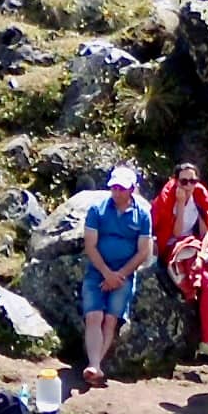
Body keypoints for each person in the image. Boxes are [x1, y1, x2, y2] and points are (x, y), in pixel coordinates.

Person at [77, 165, 154, 390]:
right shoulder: (97, 209)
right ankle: (94, 366)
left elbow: (143, 251)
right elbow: (90, 244)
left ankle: (95, 365)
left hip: (124, 276)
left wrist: (119, 275)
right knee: (93, 316)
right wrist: (106, 273)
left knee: (110, 320)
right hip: (98, 272)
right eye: (114, 187)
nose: (117, 192)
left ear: (131, 189)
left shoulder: (143, 214)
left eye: (121, 188)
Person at [152, 162, 208, 360]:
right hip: (175, 249)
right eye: (184, 181)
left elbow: (207, 232)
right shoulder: (169, 197)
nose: (189, 185)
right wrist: (180, 204)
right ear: (176, 180)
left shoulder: (200, 195)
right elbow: (176, 232)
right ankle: (207, 340)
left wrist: (202, 253)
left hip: (195, 248)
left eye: (193, 181)